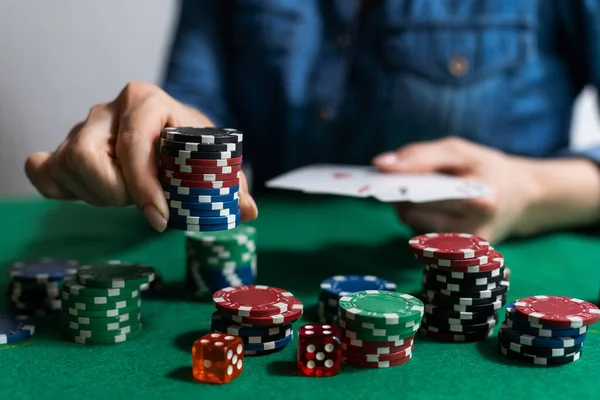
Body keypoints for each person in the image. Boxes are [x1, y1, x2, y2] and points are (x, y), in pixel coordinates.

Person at [24, 1, 600, 243]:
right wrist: (164, 134)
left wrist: (531, 191)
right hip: (262, 256)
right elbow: (202, 108)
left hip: (513, 265)